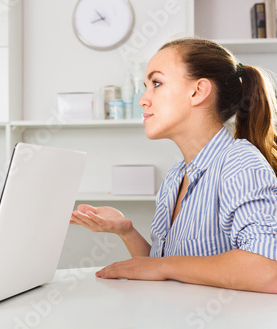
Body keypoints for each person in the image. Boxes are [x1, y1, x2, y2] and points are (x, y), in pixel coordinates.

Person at [71, 37, 277, 293]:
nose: (143, 100)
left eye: (156, 83)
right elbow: (161, 268)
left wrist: (163, 267)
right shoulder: (174, 177)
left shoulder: (239, 162)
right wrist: (127, 231)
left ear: (198, 91)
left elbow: (268, 270)